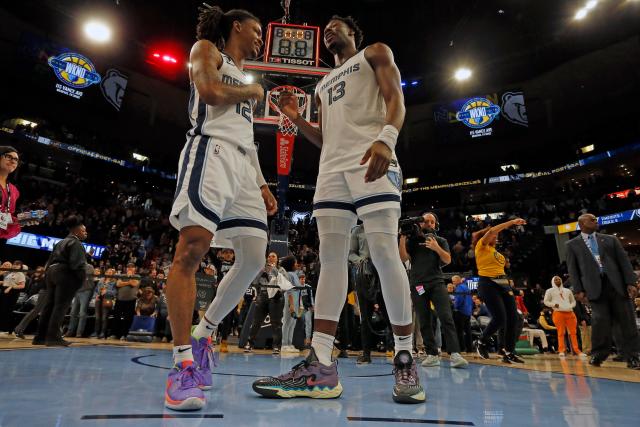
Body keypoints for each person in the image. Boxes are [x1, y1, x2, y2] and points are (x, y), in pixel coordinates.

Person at [252, 15, 425, 404]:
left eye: (335, 25)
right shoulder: (322, 85)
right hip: (331, 170)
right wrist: (296, 119)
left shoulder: (375, 53)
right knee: (330, 261)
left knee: (383, 253)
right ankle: (322, 366)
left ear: (353, 32)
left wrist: (387, 138)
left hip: (372, 158)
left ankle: (404, 357)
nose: (328, 30)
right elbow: (326, 136)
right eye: (325, 28)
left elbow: (396, 98)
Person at [163, 5, 276, 411]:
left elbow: (245, 133)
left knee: (252, 258)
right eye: (257, 29)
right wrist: (252, 91)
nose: (261, 36)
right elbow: (209, 92)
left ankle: (204, 331)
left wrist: (261, 183)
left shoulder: (244, 74)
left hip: (244, 164)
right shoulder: (206, 49)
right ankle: (182, 366)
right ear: (237, 26)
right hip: (209, 152)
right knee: (192, 250)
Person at [565, 213, 640, 369]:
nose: (595, 221)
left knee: (627, 322)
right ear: (582, 224)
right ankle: (599, 354)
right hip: (593, 289)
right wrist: (578, 290)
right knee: (600, 322)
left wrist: (631, 282)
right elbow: (573, 269)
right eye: (591, 219)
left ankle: (633, 356)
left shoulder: (611, 239)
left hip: (616, 285)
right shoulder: (572, 245)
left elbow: (624, 261)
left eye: (595, 219)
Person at [399, 213, 468, 368]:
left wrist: (436, 248)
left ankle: (455, 354)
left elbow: (448, 260)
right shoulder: (413, 241)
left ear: (436, 225)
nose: (429, 224)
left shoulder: (441, 241)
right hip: (418, 286)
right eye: (426, 221)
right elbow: (403, 258)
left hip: (436, 283)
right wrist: (402, 238)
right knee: (424, 320)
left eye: (432, 221)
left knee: (446, 317)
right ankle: (431, 354)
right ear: (420, 223)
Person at [473, 218, 527, 364]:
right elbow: (492, 230)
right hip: (488, 283)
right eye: (493, 235)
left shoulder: (494, 250)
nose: (495, 236)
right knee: (500, 318)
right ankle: (481, 341)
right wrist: (512, 222)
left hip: (502, 282)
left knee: (513, 318)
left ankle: (509, 351)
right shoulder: (480, 245)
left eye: (496, 236)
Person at [33, 216, 89, 346]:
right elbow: (77, 265)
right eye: (84, 230)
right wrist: (81, 280)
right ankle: (53, 337)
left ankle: (40, 337)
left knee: (49, 306)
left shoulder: (60, 242)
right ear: (76, 231)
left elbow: (49, 262)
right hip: (65, 274)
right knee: (61, 306)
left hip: (51, 273)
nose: (86, 233)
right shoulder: (76, 243)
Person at [244, 252, 285, 354]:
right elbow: (254, 282)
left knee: (276, 323)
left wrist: (273, 269)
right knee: (256, 322)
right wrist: (260, 272)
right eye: (269, 256)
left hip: (276, 296)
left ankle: (276, 347)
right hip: (263, 295)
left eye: (273, 256)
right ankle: (249, 344)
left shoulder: (281, 270)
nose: (270, 258)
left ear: (277, 259)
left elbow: (285, 282)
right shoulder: (262, 268)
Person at [543, 276, 586, 358]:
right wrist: (553, 304)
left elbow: (573, 301)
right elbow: (546, 301)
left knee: (573, 332)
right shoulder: (550, 291)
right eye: (555, 279)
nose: (557, 280)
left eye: (559, 279)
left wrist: (571, 306)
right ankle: (561, 350)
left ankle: (577, 351)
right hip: (558, 313)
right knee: (561, 332)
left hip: (570, 312)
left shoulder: (568, 290)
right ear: (552, 281)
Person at [0, 146, 22, 260]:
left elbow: (5, 222)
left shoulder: (14, 191)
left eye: (16, 159)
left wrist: (20, 222)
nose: (13, 161)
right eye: (9, 156)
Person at [66, 264, 98, 338]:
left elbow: (84, 276)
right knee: (73, 312)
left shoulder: (89, 267)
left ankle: (79, 332)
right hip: (77, 291)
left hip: (86, 290)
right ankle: (70, 331)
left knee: (82, 312)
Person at [14, 266, 46, 338]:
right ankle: (19, 329)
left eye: (39, 271)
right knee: (35, 312)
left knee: (40, 312)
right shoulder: (34, 279)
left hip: (43, 294)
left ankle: (19, 329)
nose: (37, 273)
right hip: (44, 293)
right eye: (37, 271)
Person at [280, 255, 301, 354]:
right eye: (295, 262)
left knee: (292, 324)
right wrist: (291, 304)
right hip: (290, 300)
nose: (297, 264)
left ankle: (289, 343)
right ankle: (284, 344)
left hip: (296, 301)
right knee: (287, 322)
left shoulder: (295, 274)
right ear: (291, 264)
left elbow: (299, 290)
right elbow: (289, 290)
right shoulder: (288, 274)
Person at [0, 260, 26, 332]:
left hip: (12, 294)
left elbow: (22, 286)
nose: (15, 266)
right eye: (14, 264)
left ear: (20, 266)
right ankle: (2, 326)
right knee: (2, 309)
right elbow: (7, 282)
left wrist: (11, 287)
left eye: (18, 265)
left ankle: (6, 328)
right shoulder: (11, 273)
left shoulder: (20, 274)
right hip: (4, 292)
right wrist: (2, 283)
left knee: (7, 310)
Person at [92, 268, 117, 339]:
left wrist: (107, 291)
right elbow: (96, 290)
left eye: (110, 272)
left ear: (113, 274)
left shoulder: (114, 282)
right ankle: (96, 332)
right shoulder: (101, 280)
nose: (109, 273)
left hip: (107, 300)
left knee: (104, 317)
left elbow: (115, 293)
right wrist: (95, 296)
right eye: (107, 272)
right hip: (98, 300)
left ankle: (103, 333)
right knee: (97, 317)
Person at [452, 275, 473, 353]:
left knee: (459, 331)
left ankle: (461, 348)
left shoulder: (459, 288)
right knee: (468, 331)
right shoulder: (466, 287)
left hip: (461, 312)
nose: (453, 283)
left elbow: (459, 301)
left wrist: (454, 305)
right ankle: (470, 349)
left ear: (458, 280)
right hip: (468, 312)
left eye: (453, 281)